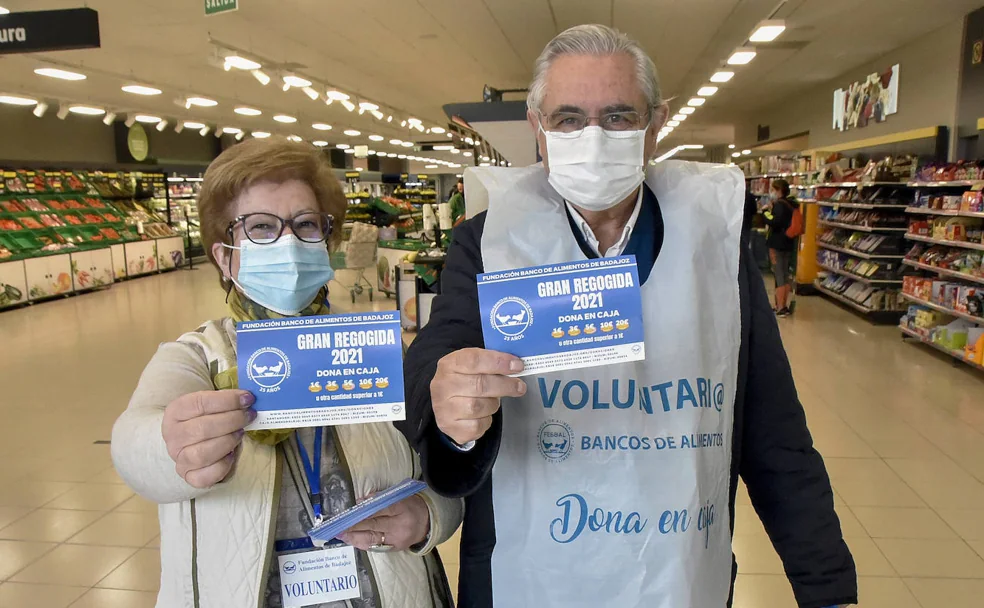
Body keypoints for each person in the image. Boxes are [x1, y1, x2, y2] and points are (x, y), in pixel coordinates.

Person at [396, 24, 856, 608]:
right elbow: (437, 356)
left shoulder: (708, 245)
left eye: (617, 117)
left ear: (654, 125)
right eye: (567, 119)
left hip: (676, 569)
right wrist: (448, 401)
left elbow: (773, 427)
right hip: (532, 573)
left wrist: (826, 586)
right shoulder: (488, 242)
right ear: (538, 128)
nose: (591, 138)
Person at [111, 137, 462, 608]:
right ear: (224, 255)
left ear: (326, 241)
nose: (288, 242)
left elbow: (443, 471)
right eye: (259, 227)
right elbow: (136, 444)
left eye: (305, 225)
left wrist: (428, 515)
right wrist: (171, 444)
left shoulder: (375, 353)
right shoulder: (198, 357)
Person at [763, 179, 797, 317]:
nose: (772, 192)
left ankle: (780, 307)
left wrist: (765, 212)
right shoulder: (791, 204)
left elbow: (775, 221)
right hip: (788, 243)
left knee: (779, 274)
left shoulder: (779, 205)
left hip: (777, 244)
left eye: (773, 190)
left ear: (779, 190)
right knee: (784, 274)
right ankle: (783, 305)